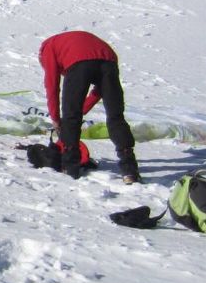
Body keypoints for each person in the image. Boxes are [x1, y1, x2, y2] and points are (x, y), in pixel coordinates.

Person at [38, 30, 140, 183]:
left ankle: (70, 168)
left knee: (71, 117)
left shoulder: (47, 49)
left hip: (79, 62)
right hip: (109, 60)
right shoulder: (66, 42)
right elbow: (99, 91)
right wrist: (83, 109)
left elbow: (52, 85)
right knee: (116, 117)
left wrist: (56, 119)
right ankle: (129, 170)